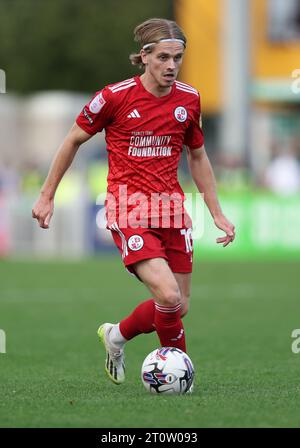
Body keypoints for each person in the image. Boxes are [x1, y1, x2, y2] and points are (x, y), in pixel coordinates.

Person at [32, 18, 235, 386]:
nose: (171, 66)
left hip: (172, 210)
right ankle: (180, 378)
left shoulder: (189, 99)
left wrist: (216, 213)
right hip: (128, 209)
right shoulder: (114, 97)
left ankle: (116, 336)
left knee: (178, 305)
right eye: (163, 58)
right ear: (144, 57)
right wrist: (47, 195)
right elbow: (72, 140)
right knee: (169, 294)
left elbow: (198, 156)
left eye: (177, 58)